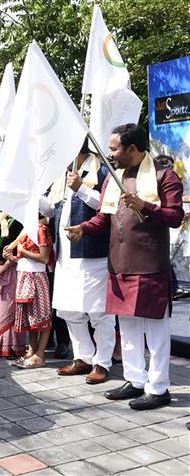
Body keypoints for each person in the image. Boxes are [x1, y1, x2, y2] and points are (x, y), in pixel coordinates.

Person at [66, 123, 184, 410]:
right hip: (119, 266)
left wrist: (145, 206)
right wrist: (83, 228)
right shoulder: (113, 179)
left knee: (155, 331)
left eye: (115, 148)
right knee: (128, 328)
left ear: (133, 149)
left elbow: (175, 216)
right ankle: (135, 380)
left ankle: (158, 388)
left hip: (149, 266)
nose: (111, 153)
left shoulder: (163, 176)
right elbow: (103, 219)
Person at [41, 139, 114, 384]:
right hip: (65, 255)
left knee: (99, 312)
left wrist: (81, 187)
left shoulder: (101, 169)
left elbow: (107, 206)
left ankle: (102, 362)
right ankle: (83, 356)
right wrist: (30, 196)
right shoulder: (61, 175)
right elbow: (51, 209)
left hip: (93, 252)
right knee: (69, 310)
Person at [8, 220, 53, 369]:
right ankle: (32, 351)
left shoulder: (40, 228)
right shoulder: (27, 227)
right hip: (25, 274)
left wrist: (22, 251)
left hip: (36, 276)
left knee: (42, 316)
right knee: (30, 317)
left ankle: (40, 354)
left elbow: (44, 257)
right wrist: (14, 256)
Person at [0, 211, 25, 359]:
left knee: (10, 309)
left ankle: (13, 347)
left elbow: (18, 248)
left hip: (10, 268)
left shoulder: (18, 219)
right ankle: (4, 345)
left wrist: (4, 267)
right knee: (1, 309)